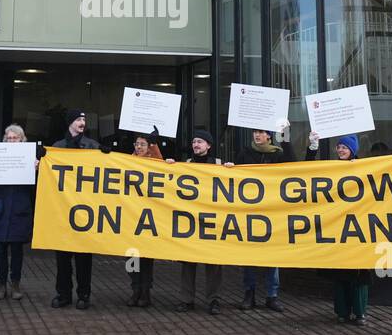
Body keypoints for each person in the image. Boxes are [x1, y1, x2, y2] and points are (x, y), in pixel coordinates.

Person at [224, 126, 294, 312]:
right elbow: (235, 176)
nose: (256, 135)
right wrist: (230, 169)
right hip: (250, 211)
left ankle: (272, 296)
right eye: (255, 132)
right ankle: (249, 294)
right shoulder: (245, 153)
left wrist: (286, 137)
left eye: (261, 132)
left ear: (269, 136)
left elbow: (294, 166)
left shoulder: (279, 155)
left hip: (273, 212)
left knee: (273, 256)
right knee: (250, 255)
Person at [307, 131, 372, 326]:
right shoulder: (332, 168)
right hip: (337, 227)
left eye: (345, 147)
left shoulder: (365, 168)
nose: (341, 150)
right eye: (339, 147)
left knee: (359, 275)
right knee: (340, 274)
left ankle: (360, 312)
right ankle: (342, 312)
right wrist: (312, 147)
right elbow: (307, 170)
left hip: (357, 228)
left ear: (352, 150)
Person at [171, 129, 224, 314]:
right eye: (194, 142)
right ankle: (187, 300)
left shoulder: (219, 164)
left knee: (214, 264)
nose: (196, 145)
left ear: (209, 145)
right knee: (188, 262)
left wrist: (234, 169)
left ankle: (214, 300)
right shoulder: (185, 164)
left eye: (200, 142)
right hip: (191, 221)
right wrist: (169, 167)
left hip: (211, 221)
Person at [52, 108, 100, 309]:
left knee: (83, 258)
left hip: (84, 211)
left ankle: (84, 294)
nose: (82, 122)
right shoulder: (58, 147)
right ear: (70, 122)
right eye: (79, 119)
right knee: (62, 259)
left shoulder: (92, 146)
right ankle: (63, 294)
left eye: (84, 119)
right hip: (63, 211)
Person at [0, 124, 37, 301]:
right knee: (0, 249)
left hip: (19, 209)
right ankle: (0, 285)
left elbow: (36, 187)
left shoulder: (30, 159)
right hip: (1, 208)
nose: (12, 141)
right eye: (9, 138)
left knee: (17, 249)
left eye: (16, 138)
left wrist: (37, 169)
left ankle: (15, 284)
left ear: (22, 140)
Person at [125, 130, 163, 307]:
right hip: (130, 216)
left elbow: (162, 166)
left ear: (149, 147)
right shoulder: (126, 161)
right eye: (137, 144)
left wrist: (155, 145)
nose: (139, 147)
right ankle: (135, 288)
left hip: (147, 218)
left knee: (146, 258)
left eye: (142, 144)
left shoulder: (154, 162)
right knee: (131, 256)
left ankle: (145, 291)